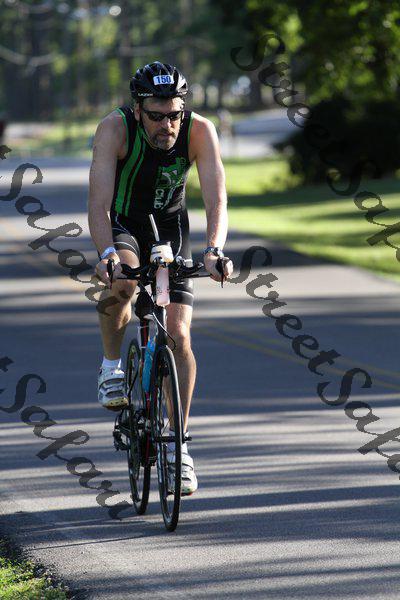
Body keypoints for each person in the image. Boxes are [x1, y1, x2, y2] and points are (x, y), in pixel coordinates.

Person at [88, 62, 233, 495]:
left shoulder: (200, 131)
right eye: (156, 115)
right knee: (123, 284)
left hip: (171, 228)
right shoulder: (114, 130)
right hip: (124, 223)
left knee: (180, 336)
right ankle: (111, 367)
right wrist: (107, 255)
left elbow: (216, 199)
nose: (167, 125)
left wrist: (214, 250)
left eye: (174, 115)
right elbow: (98, 205)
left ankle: (179, 446)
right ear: (138, 110)